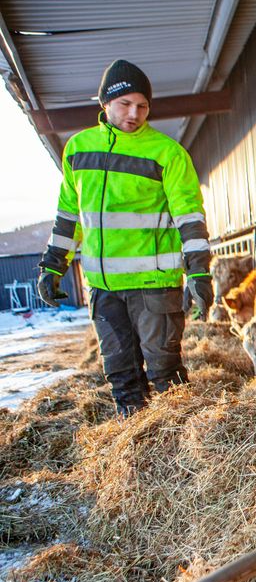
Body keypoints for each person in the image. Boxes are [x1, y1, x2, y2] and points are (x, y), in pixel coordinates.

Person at [37, 59, 213, 417]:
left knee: (166, 375)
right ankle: (135, 446)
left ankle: (180, 447)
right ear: (105, 103)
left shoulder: (167, 153)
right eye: (125, 104)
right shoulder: (77, 149)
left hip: (154, 286)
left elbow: (190, 218)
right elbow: (70, 218)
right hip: (103, 288)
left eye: (143, 105)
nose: (135, 113)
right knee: (121, 377)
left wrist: (198, 273)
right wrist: (53, 267)